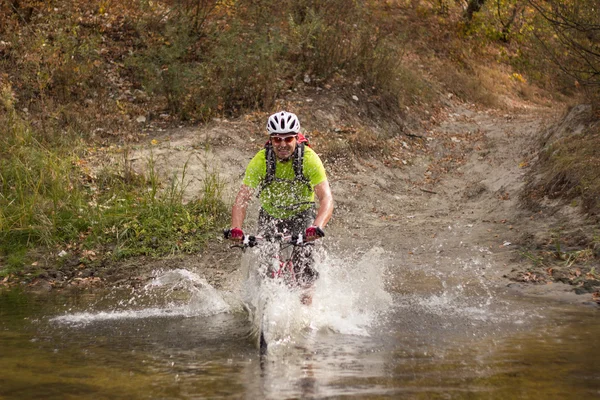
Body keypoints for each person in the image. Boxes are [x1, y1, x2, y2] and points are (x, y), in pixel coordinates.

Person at [228, 111, 334, 299]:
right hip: (270, 215)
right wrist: (236, 229)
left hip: (302, 214)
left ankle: (307, 309)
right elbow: (242, 198)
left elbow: (326, 198)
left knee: (304, 263)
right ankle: (263, 306)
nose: (283, 144)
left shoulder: (308, 159)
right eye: (277, 139)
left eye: (288, 139)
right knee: (266, 262)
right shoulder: (261, 160)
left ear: (296, 138)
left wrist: (316, 227)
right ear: (271, 140)